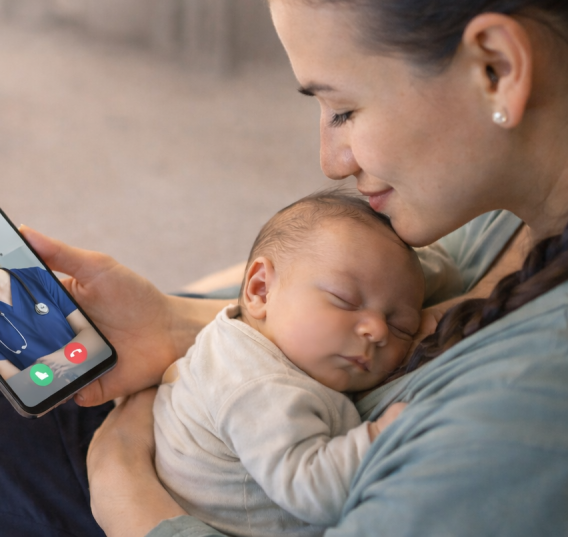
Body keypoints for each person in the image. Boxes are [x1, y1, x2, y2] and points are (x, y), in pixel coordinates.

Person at [0, 0, 568, 535]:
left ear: (497, 68)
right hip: (258, 429)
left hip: (228, 504)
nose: (330, 158)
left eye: (344, 108)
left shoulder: (525, 420)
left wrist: (123, 488)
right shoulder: (510, 202)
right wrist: (176, 323)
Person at [153, 193, 423, 536]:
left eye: (402, 326)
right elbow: (313, 490)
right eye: (345, 299)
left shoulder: (249, 341)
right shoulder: (259, 386)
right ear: (261, 290)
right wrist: (382, 434)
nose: (379, 330)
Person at [0, 214, 106, 382]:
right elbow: (6, 372)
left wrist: (60, 360)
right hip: (47, 393)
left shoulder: (37, 277)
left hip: (98, 371)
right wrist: (49, 382)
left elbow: (92, 334)